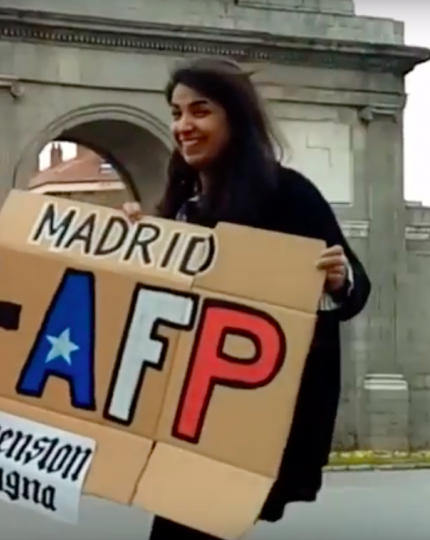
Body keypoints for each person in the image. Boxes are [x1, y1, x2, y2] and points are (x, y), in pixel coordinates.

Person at [123, 57, 370, 539]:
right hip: (183, 416)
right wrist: (132, 243)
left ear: (235, 117)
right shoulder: (180, 201)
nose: (184, 126)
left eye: (200, 111)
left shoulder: (288, 194)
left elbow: (356, 291)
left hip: (247, 421)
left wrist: (338, 281)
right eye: (176, 113)